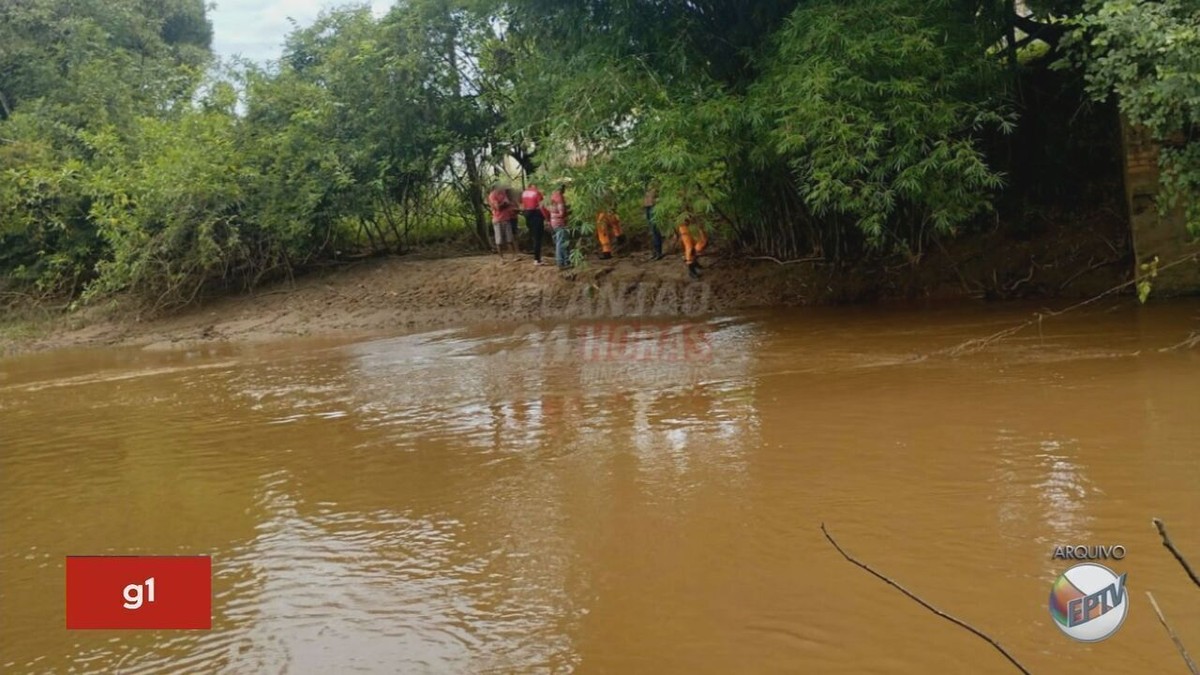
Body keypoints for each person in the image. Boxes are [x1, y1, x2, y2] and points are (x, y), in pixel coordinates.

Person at [675, 201, 708, 280]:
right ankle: (691, 270)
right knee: (689, 247)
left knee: (700, 242)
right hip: (684, 224)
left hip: (694, 222)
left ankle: (694, 261)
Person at [487, 184, 519, 258]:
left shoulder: (503, 193)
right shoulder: (492, 195)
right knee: (499, 240)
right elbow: (497, 207)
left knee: (510, 238)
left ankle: (514, 256)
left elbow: (508, 203)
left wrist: (506, 205)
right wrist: (505, 205)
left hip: (506, 218)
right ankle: (501, 258)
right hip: (497, 219)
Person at [521, 183, 546, 265]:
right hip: (536, 215)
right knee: (538, 237)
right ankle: (537, 259)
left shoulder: (524, 193)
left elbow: (523, 205)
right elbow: (542, 206)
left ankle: (537, 257)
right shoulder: (537, 193)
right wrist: (546, 217)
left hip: (528, 215)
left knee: (534, 237)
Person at [548, 185, 571, 269]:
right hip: (560, 223)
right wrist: (568, 211)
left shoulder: (552, 196)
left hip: (553, 222)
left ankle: (564, 261)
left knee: (559, 241)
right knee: (562, 242)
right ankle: (562, 262)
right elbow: (561, 213)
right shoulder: (559, 198)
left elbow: (548, 209)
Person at [644, 184, 662, 260]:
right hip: (648, 207)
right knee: (652, 230)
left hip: (654, 207)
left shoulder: (657, 183)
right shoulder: (645, 184)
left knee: (655, 229)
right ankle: (655, 252)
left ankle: (658, 252)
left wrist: (656, 201)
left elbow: (661, 197)